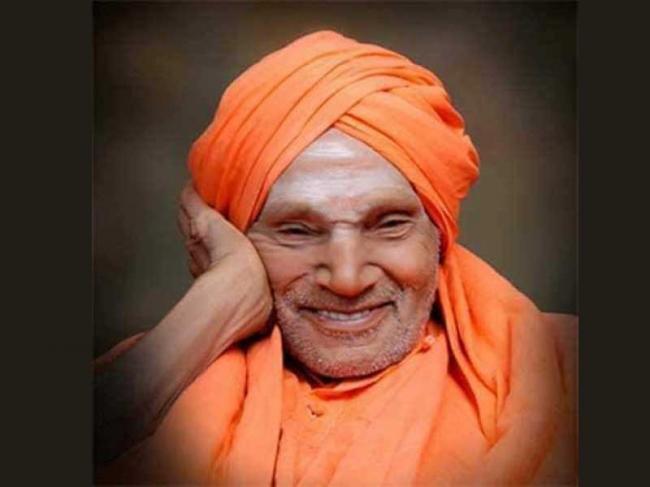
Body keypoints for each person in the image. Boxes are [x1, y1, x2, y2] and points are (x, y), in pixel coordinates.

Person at [94, 30, 577, 485]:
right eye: (297, 230)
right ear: (238, 237)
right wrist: (221, 299)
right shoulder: (165, 365)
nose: (347, 278)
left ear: (439, 232)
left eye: (388, 224)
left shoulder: (563, 368)